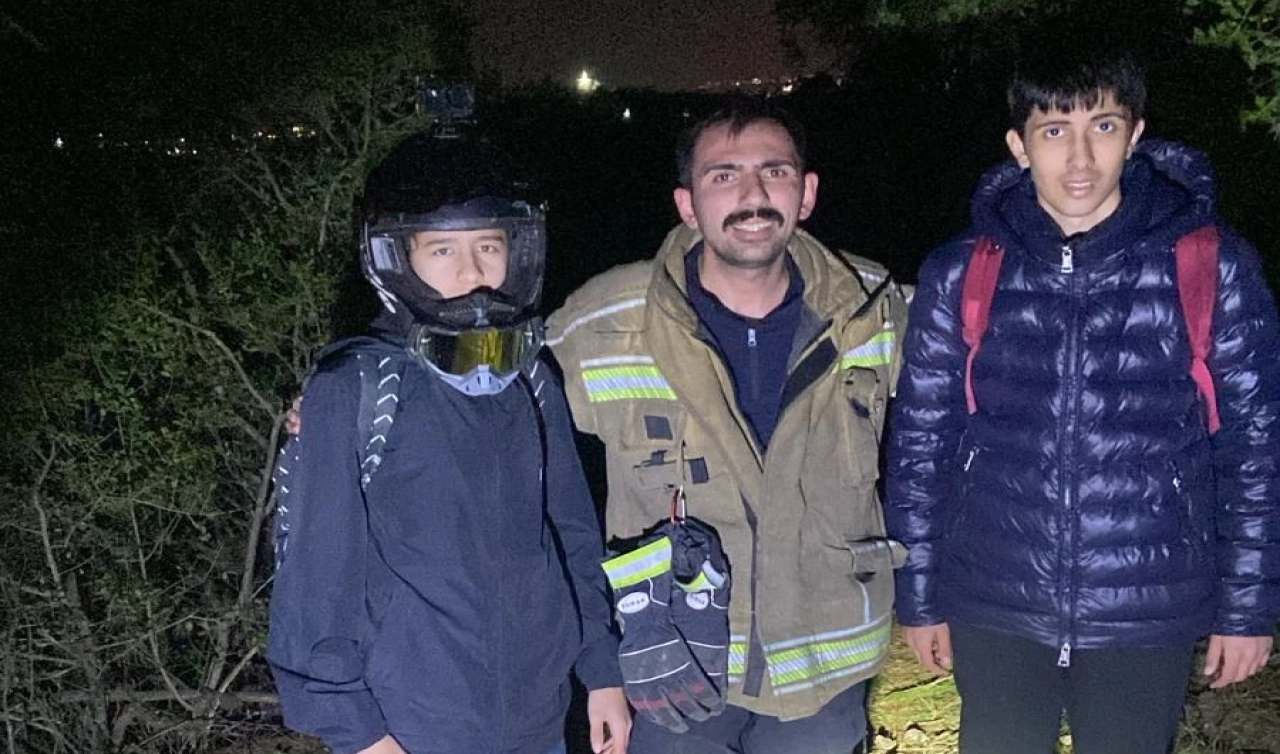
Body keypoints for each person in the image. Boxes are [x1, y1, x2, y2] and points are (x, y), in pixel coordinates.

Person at [885, 47, 1280, 754]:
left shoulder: (1212, 264)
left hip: (1147, 606)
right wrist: (917, 594)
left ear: (1135, 135)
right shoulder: (961, 270)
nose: (1079, 157)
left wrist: (1247, 607)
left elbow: (1255, 447)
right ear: (1019, 145)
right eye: (1053, 130)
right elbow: (920, 443)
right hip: (994, 599)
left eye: (1102, 126)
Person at [545, 99, 909, 754]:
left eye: (775, 172)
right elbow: (516, 457)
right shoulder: (600, 323)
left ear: (806, 194)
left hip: (825, 673)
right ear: (687, 205)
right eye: (724, 175)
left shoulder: (876, 308)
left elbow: (975, 406)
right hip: (675, 665)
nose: (752, 194)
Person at [266, 130, 631, 754]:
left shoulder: (531, 377)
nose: (471, 271)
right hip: (410, 728)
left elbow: (572, 530)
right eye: (442, 249)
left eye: (488, 245)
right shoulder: (355, 387)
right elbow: (315, 578)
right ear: (396, 258)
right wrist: (357, 731)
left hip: (539, 717)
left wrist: (602, 670)